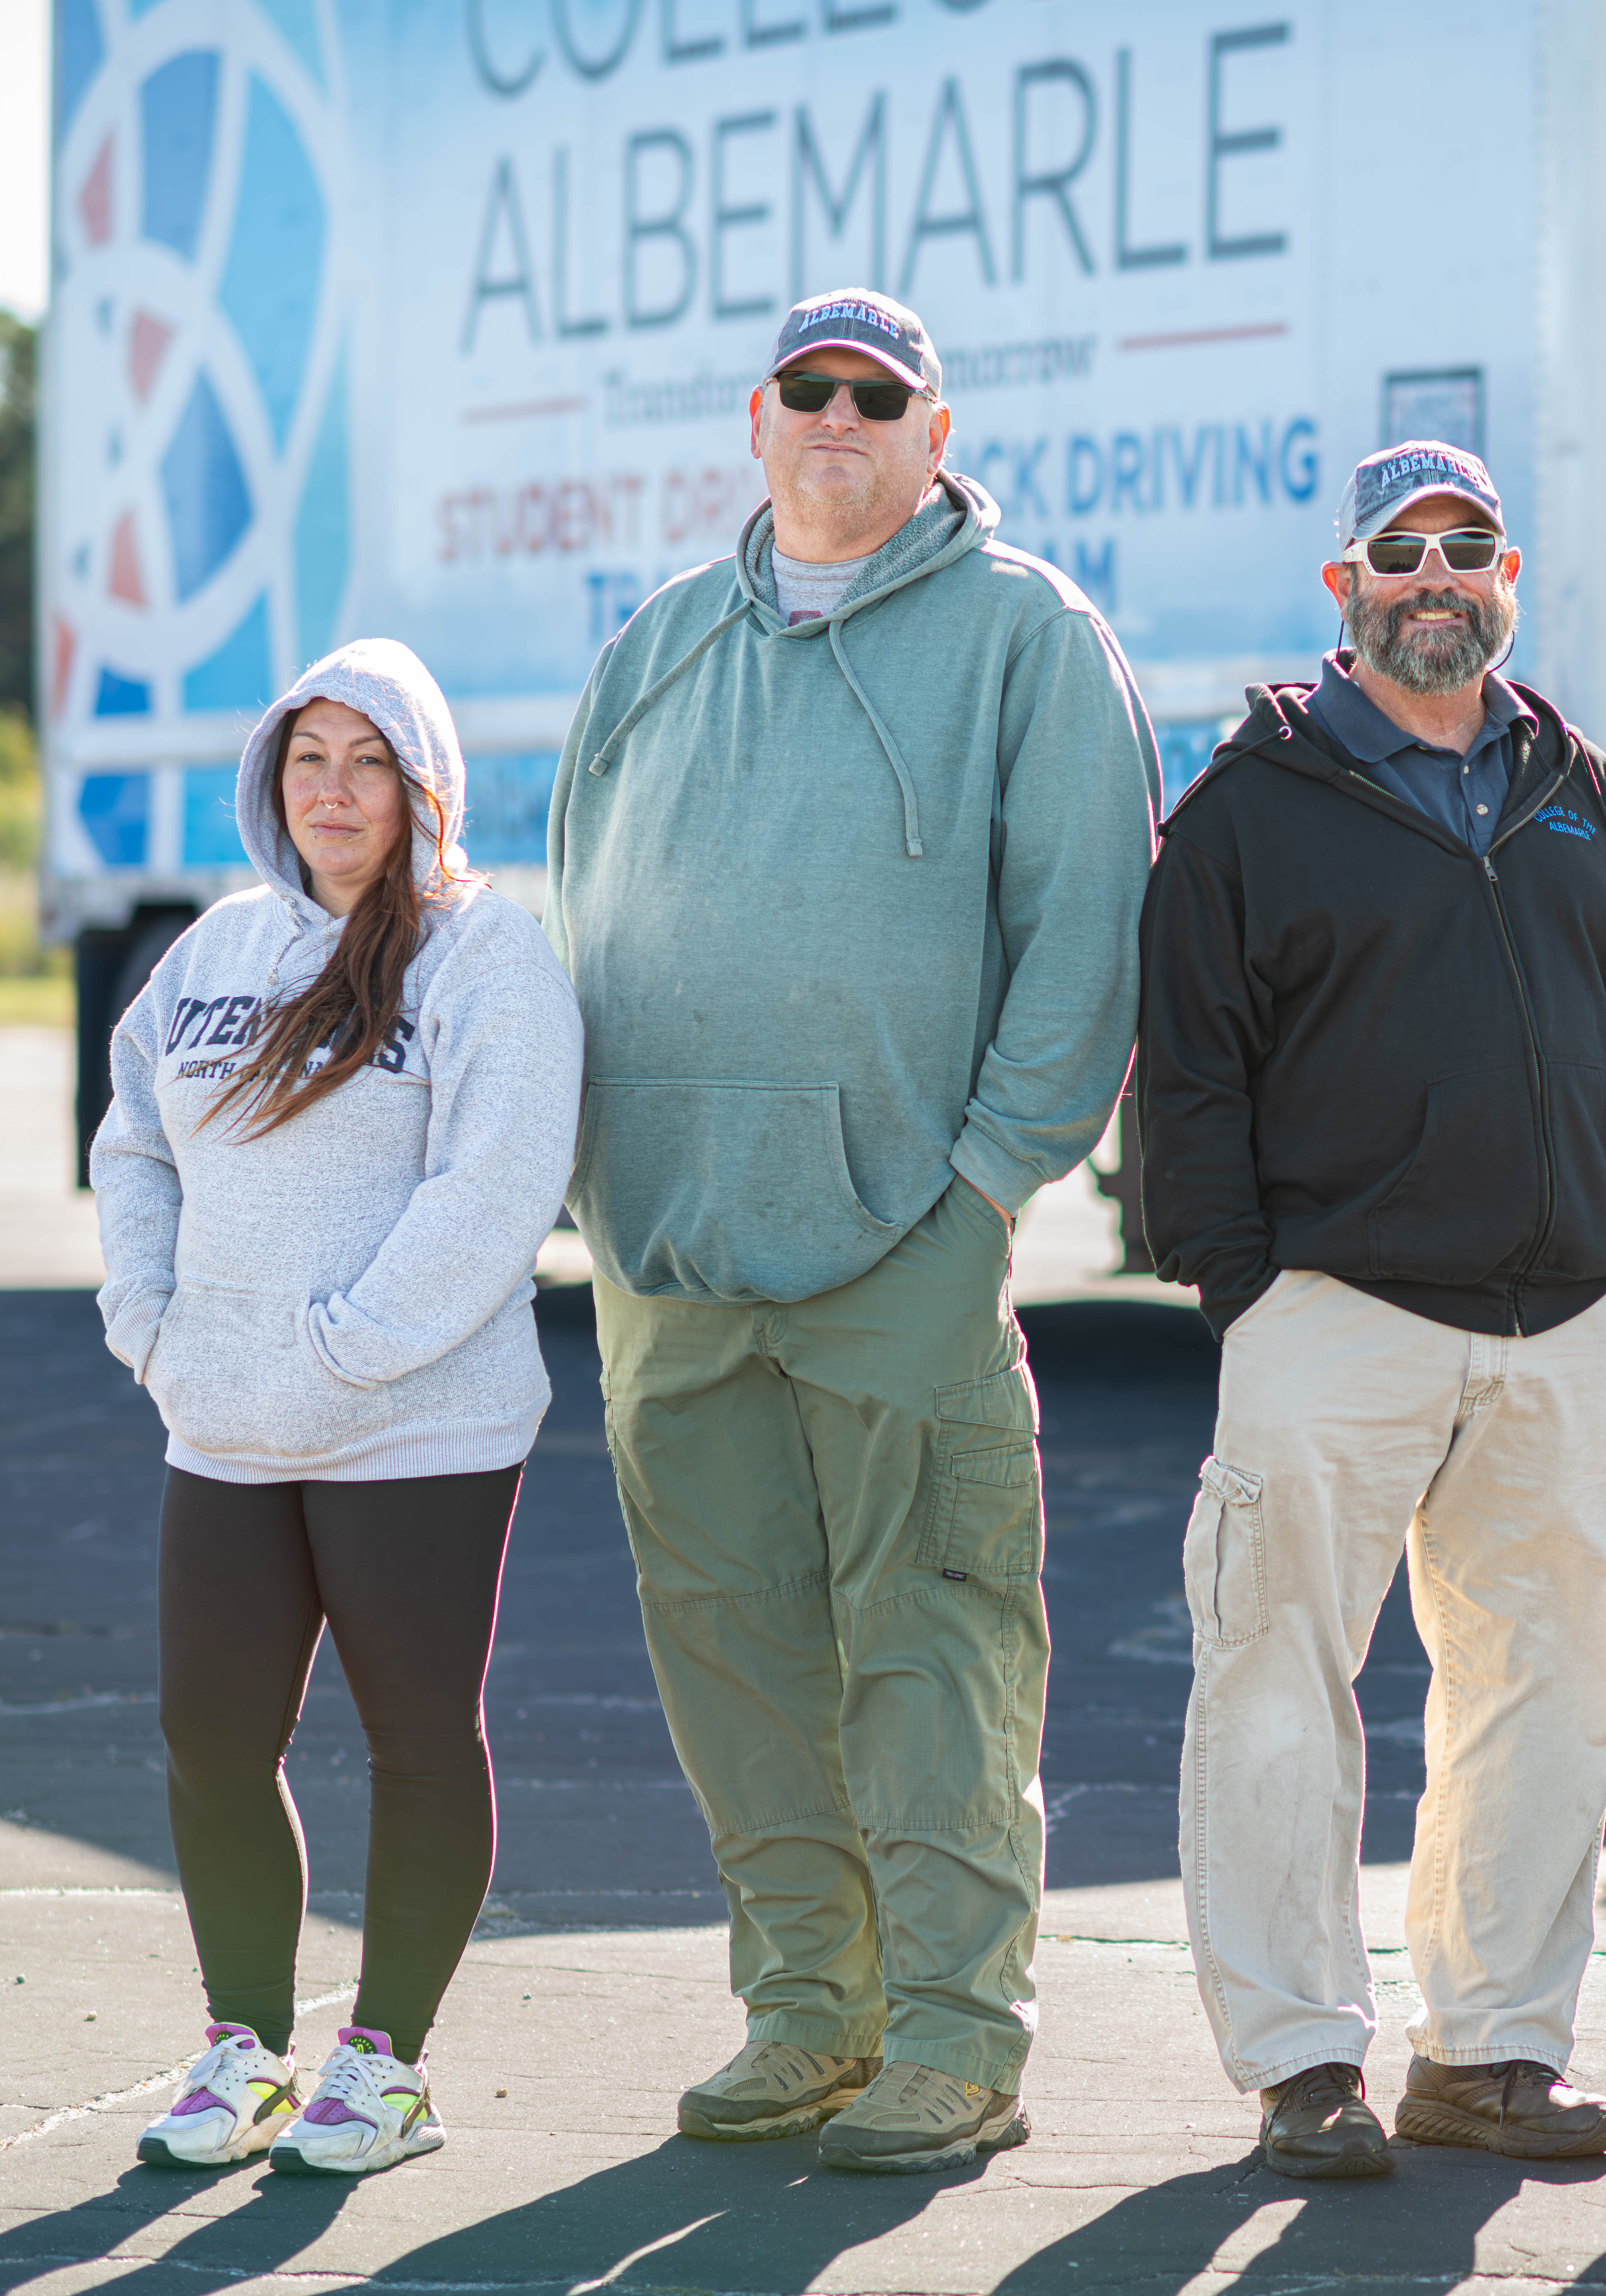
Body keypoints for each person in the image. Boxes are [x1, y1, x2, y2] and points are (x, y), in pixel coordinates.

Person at [546, 288, 1156, 2176]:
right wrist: (590, 1190)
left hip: (911, 1241)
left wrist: (987, 1191)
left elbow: (1086, 935)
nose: (836, 418)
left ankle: (959, 2038)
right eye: (805, 390)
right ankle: (809, 2012)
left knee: (935, 1650)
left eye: (873, 396)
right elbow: (574, 905)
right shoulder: (657, 642)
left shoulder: (1025, 638)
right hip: (668, 1261)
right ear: (755, 417)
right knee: (735, 1657)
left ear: (933, 433)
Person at [1136, 440, 1606, 2179]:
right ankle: (1306, 2061)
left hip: (1565, 1325)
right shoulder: (1252, 802)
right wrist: (1253, 1291)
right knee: (1280, 1683)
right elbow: (1189, 1076)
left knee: (1547, 1692)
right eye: (1404, 553)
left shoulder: (1578, 785)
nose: (1437, 578)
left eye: (1468, 549)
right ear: (1346, 587)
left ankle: (1493, 2055)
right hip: (1336, 1315)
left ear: (1509, 573)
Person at [94, 639, 585, 2176]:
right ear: (271, 780)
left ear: (423, 783)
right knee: (211, 1740)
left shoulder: (483, 956)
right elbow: (132, 1142)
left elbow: (500, 1185)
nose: (334, 790)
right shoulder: (217, 948)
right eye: (309, 759)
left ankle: (387, 2068)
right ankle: (244, 2046)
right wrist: (152, 1325)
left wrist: (354, 1344)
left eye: (368, 760)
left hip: (415, 1425)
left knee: (419, 1739)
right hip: (224, 1417)